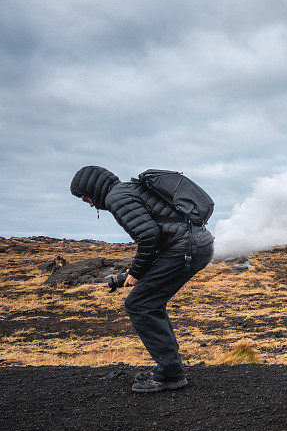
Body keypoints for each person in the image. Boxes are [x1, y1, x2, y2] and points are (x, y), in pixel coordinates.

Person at [70, 165, 214, 392]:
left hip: (186, 248)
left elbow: (149, 236)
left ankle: (170, 373)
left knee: (139, 304)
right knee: (150, 302)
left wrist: (136, 273)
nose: (89, 204)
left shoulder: (116, 198)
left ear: (93, 190)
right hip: (196, 244)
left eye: (86, 198)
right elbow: (159, 234)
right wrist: (134, 273)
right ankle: (169, 369)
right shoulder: (129, 190)